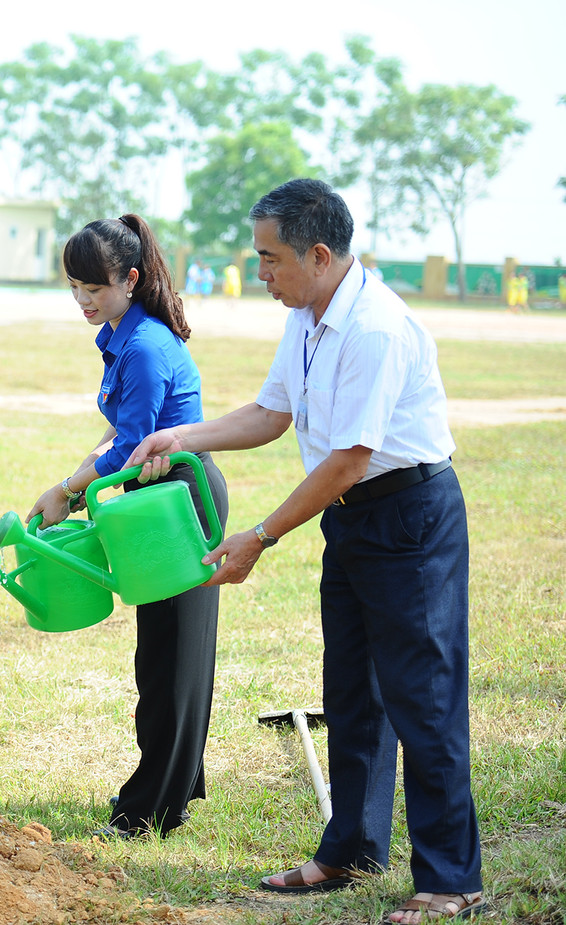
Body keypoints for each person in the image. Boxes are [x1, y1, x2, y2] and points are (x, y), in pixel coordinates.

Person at [127, 179, 483, 924]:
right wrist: (180, 436)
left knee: (424, 696)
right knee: (353, 690)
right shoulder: (308, 313)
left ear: (319, 255)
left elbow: (351, 458)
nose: (262, 273)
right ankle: (351, 848)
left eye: (270, 258)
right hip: (351, 520)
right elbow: (270, 412)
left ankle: (450, 877)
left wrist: (258, 535)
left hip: (408, 517)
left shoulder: (376, 328)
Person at [26, 216, 228, 838]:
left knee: (173, 662)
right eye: (75, 287)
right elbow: (120, 434)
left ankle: (151, 809)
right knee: (162, 655)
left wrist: (70, 489)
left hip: (177, 497)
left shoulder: (142, 346)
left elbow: (136, 446)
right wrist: (80, 476)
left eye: (97, 288)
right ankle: (177, 785)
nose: (84, 301)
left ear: (131, 279)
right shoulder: (121, 333)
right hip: (152, 498)